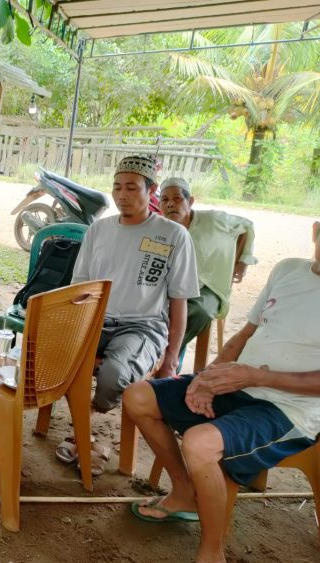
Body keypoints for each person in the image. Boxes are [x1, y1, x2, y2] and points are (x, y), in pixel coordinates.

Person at [123, 221, 320, 563]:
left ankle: (212, 551)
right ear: (316, 230)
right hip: (239, 384)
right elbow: (244, 335)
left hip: (289, 410)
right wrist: (208, 379)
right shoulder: (288, 269)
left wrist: (252, 377)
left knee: (199, 442)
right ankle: (184, 491)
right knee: (138, 396)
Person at [56, 155, 200, 473]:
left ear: (151, 191)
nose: (122, 195)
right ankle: (84, 432)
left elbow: (179, 300)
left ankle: (88, 428)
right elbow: (80, 286)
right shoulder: (99, 230)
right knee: (52, 358)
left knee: (113, 374)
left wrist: (172, 356)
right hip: (95, 319)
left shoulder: (174, 235)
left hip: (142, 326)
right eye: (117, 187)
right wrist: (72, 330)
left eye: (132, 188)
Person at [159, 177, 257, 358]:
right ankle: (154, 358)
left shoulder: (214, 220)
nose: (170, 204)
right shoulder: (160, 229)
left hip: (208, 289)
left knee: (197, 312)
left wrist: (243, 260)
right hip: (172, 289)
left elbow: (247, 225)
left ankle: (165, 360)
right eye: (164, 200)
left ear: (190, 201)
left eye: (177, 198)